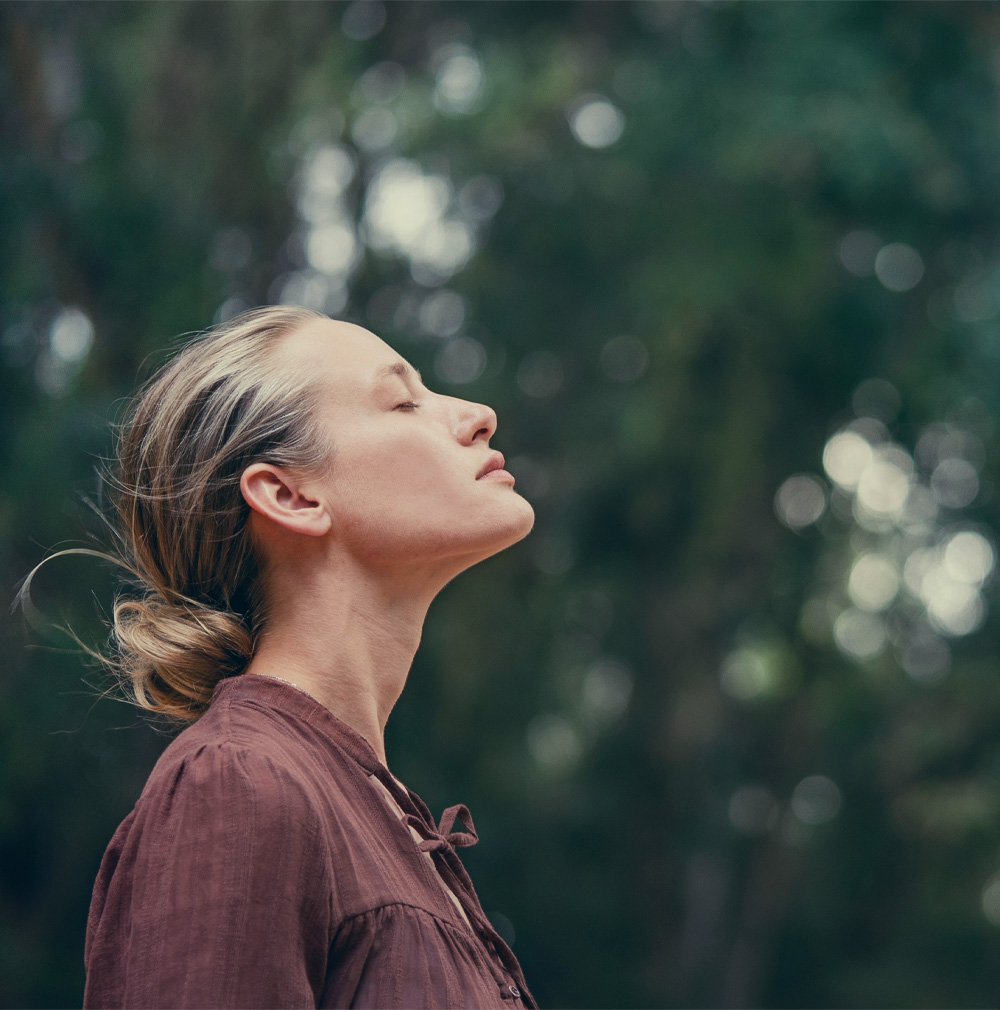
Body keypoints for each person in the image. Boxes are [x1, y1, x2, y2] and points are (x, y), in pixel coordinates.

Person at [76, 306, 538, 1008]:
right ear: (290, 495)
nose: (478, 414)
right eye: (404, 400)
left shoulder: (377, 814)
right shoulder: (234, 785)